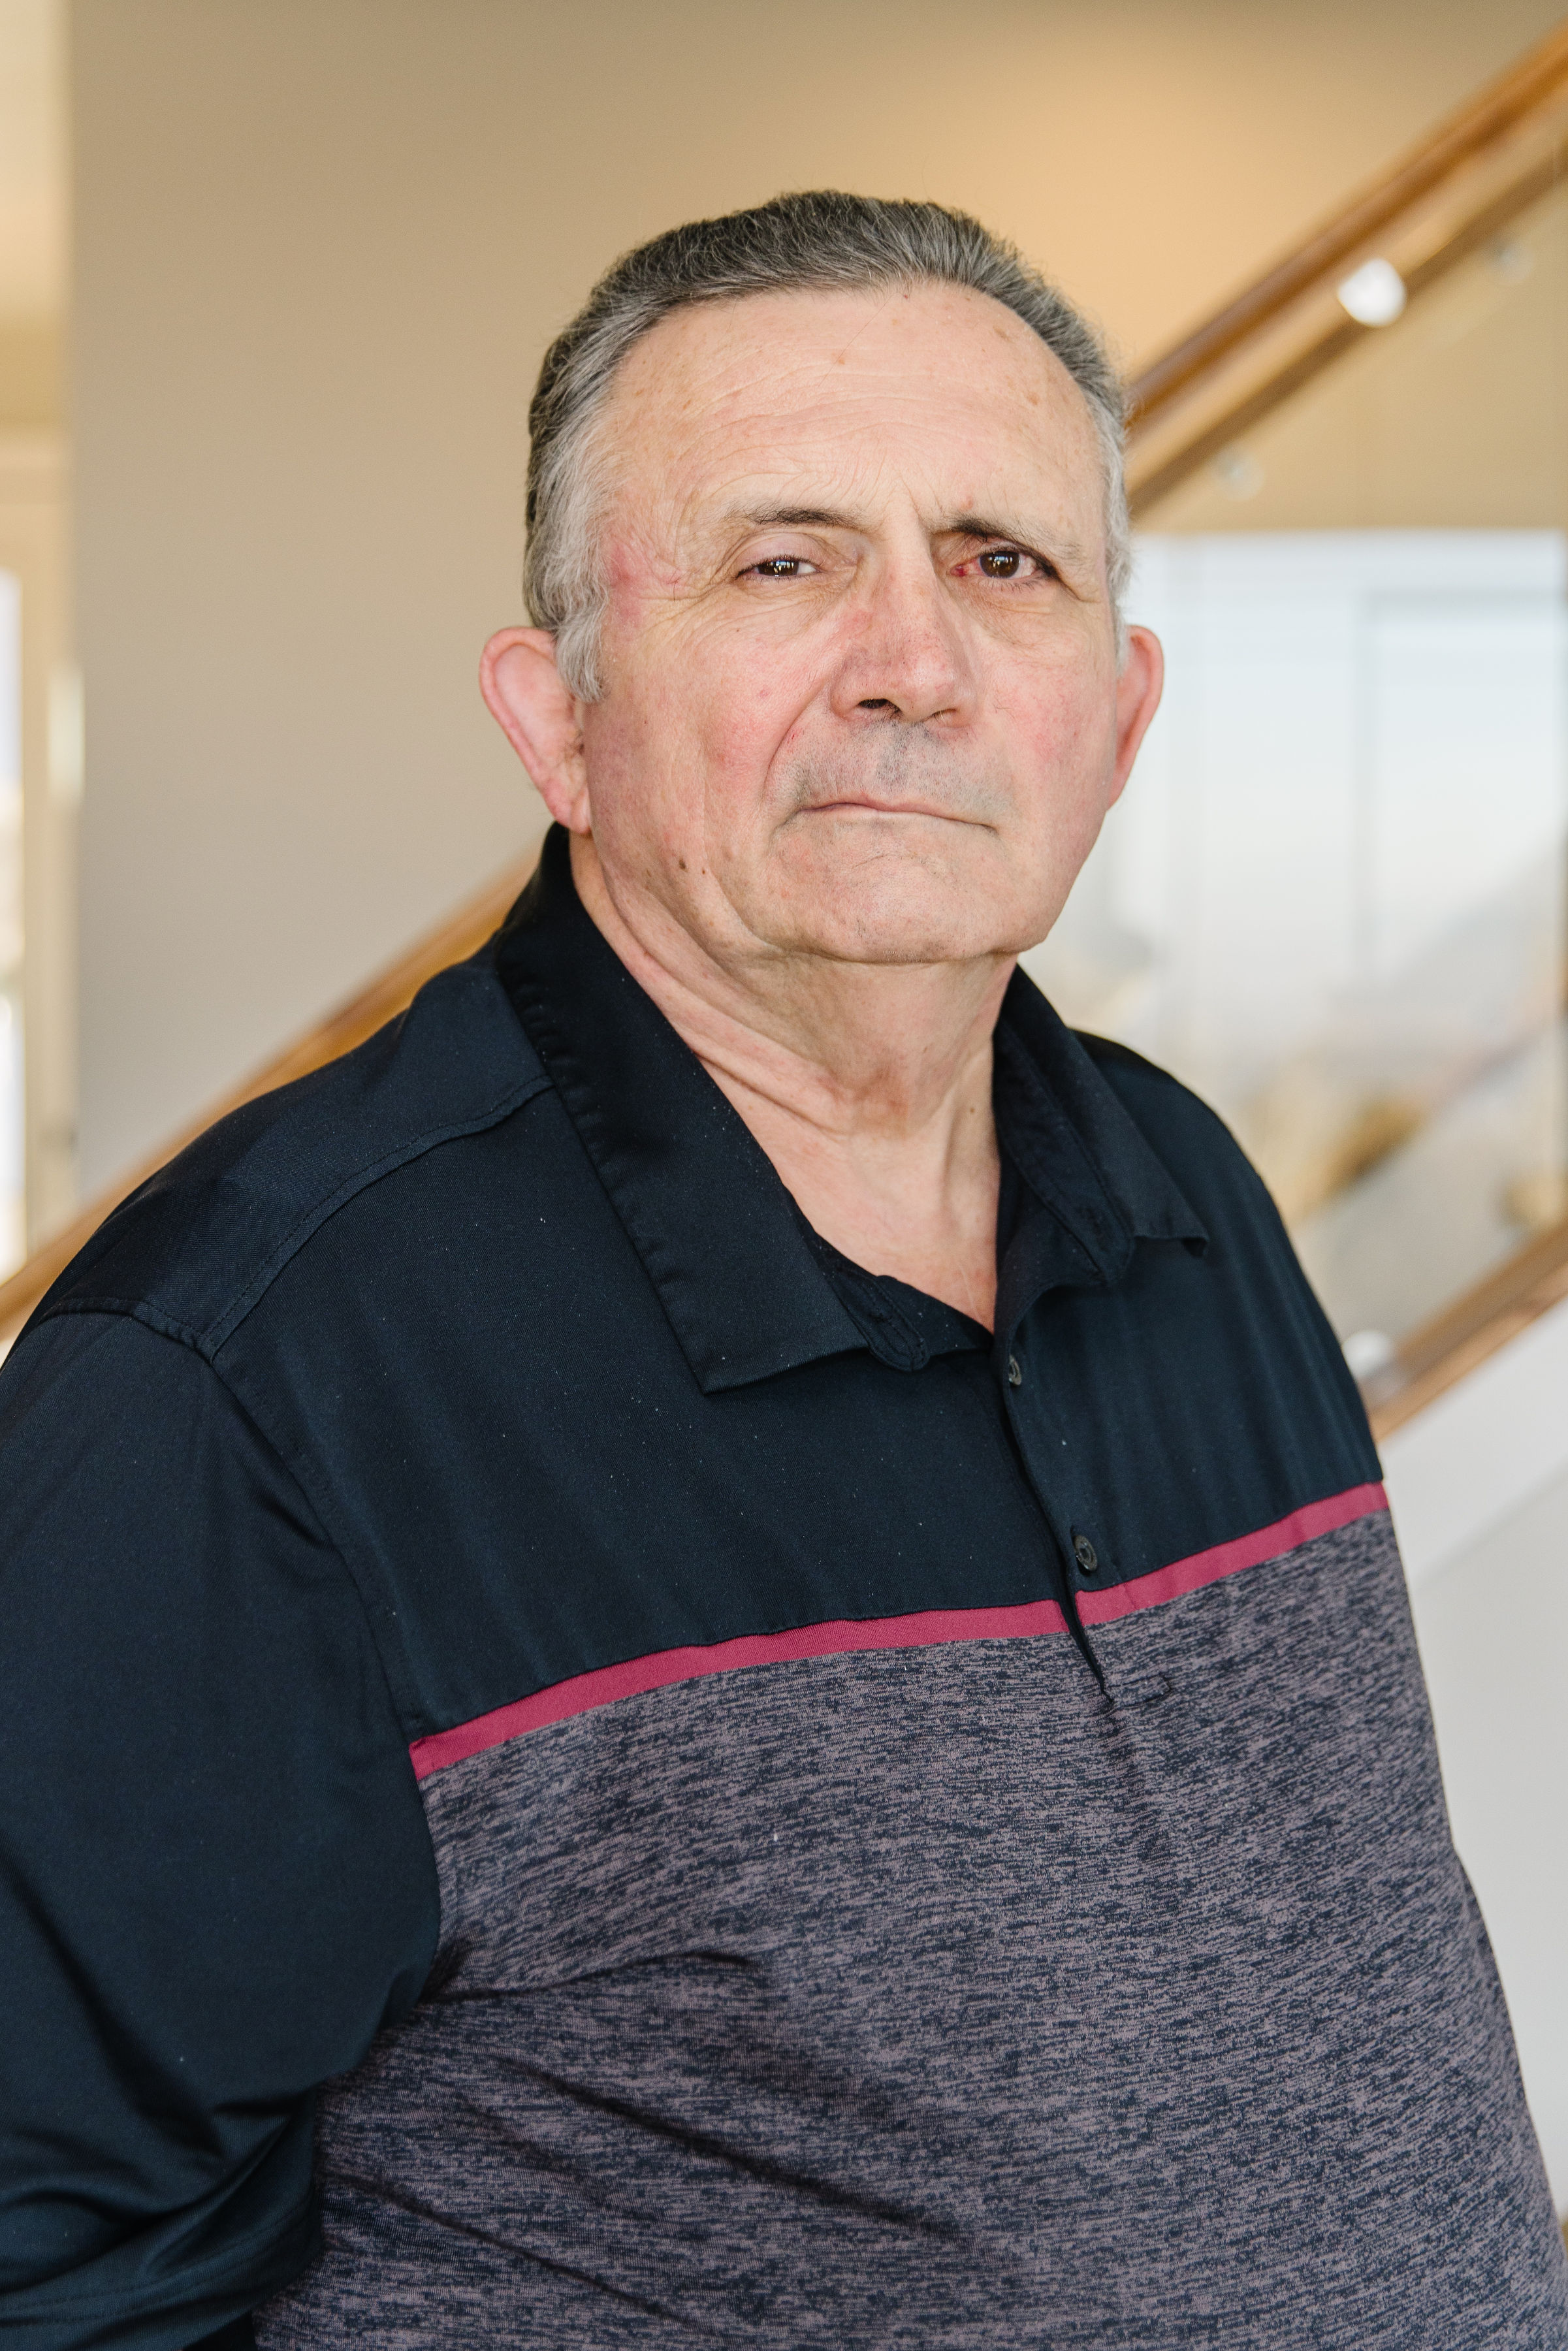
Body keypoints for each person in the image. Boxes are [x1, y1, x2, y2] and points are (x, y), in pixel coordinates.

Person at [1, 192, 1563, 2351]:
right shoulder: (229, 1384)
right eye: (783, 562)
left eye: (1000, 564)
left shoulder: (1184, 1189)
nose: (914, 662)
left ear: (1116, 715)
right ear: (556, 718)